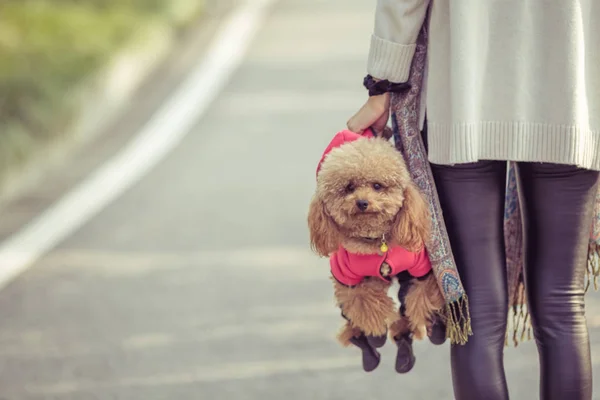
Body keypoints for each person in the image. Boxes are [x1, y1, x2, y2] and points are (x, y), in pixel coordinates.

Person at [347, 1, 600, 399]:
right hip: (572, 98)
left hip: (463, 94)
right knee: (561, 308)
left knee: (476, 311)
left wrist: (384, 81)